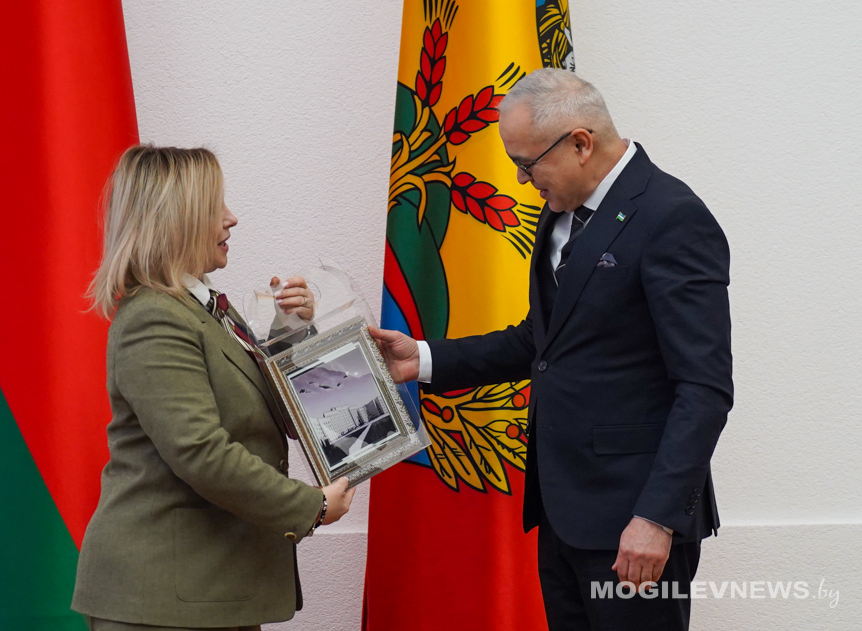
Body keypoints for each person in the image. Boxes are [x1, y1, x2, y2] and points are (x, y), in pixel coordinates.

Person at [370, 69, 732, 630]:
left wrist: (656, 518)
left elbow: (704, 388)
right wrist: (423, 358)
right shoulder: (561, 208)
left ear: (581, 143)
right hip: (563, 512)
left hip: (634, 521)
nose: (521, 179)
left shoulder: (672, 217)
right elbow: (544, 342)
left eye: (527, 163)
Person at [72, 145, 355, 631]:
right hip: (164, 600)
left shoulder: (201, 306)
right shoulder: (155, 317)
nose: (232, 218)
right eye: (214, 207)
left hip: (208, 590)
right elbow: (200, 451)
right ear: (176, 220)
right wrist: (311, 507)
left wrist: (289, 331)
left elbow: (271, 415)